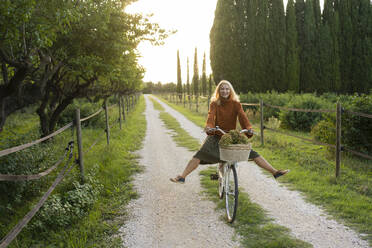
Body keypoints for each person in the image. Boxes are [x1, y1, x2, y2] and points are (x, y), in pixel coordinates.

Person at [170, 80, 289, 183]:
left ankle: (274, 172)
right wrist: (209, 126)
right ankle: (182, 177)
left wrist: (248, 128)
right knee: (199, 155)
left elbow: (243, 117)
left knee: (251, 153)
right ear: (218, 91)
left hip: (232, 136)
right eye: (222, 89)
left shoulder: (236, 104)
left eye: (227, 89)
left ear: (230, 91)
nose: (225, 91)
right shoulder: (214, 104)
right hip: (216, 135)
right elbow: (211, 116)